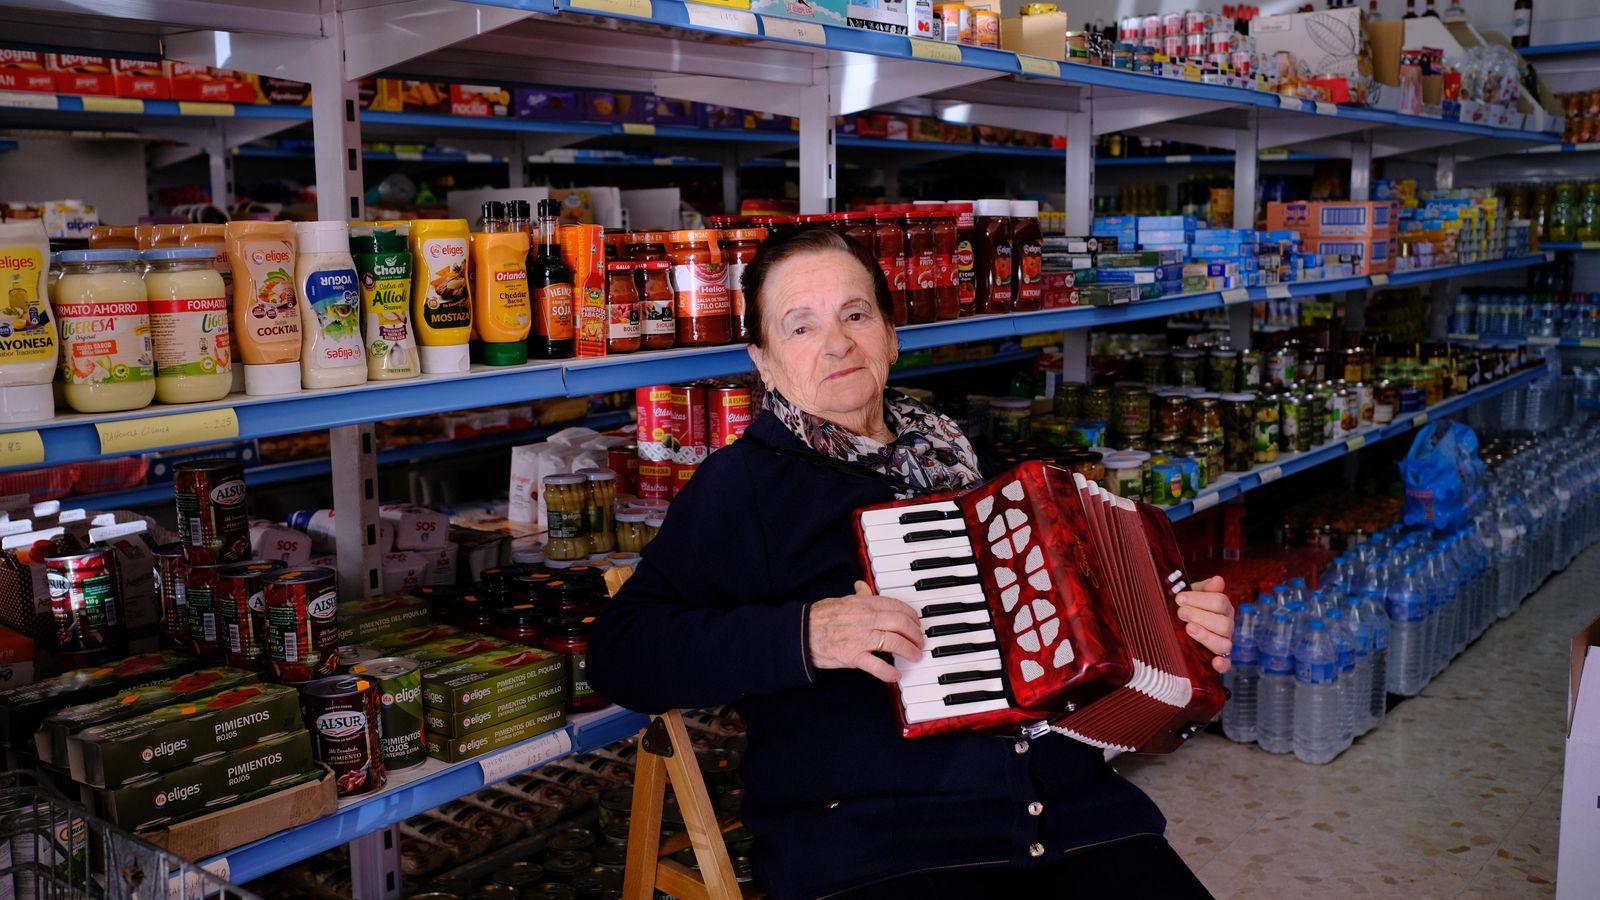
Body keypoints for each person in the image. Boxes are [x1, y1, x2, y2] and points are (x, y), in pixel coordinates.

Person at [588, 228, 1236, 900]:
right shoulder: (742, 487)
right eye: (801, 327)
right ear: (765, 360)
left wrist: (1173, 632)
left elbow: (1056, 644)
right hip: (883, 843)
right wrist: (805, 635)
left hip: (1073, 813)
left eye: (856, 314)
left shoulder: (960, 458)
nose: (837, 342)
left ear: (891, 336)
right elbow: (620, 655)